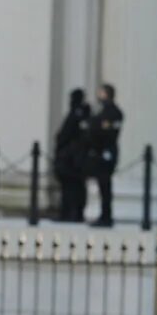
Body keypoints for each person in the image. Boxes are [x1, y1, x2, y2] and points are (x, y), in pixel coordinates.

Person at [52, 88, 92, 223]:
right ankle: (73, 213)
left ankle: (70, 213)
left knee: (71, 187)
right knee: (74, 186)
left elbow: (66, 135)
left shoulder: (77, 114)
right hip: (75, 157)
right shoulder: (84, 114)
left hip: (71, 158)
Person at [88, 83, 122, 227]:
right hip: (100, 152)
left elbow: (105, 132)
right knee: (103, 186)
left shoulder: (113, 112)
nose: (99, 96)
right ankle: (104, 215)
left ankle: (106, 217)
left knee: (105, 186)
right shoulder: (103, 111)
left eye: (101, 93)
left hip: (106, 152)